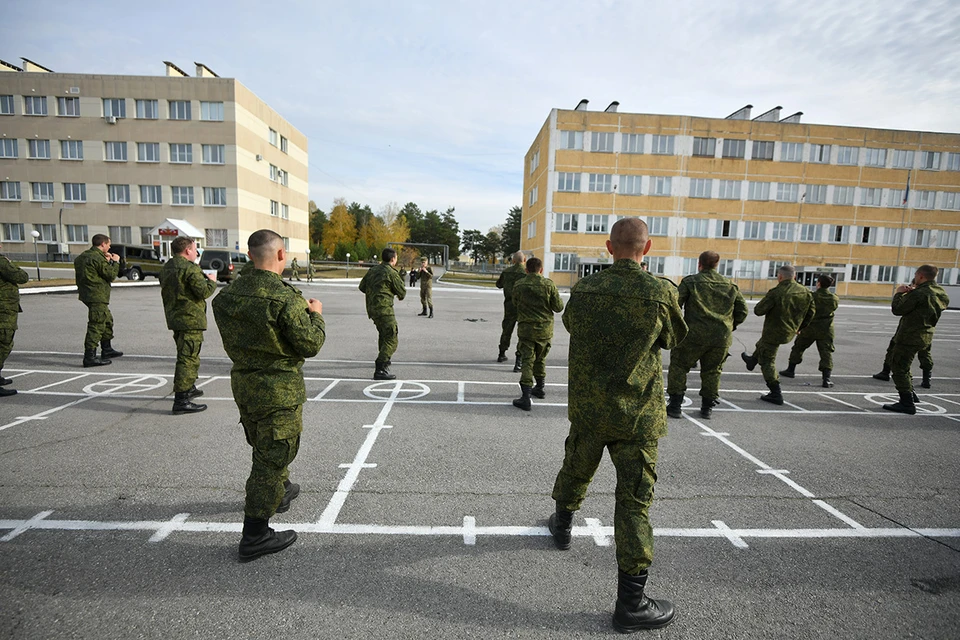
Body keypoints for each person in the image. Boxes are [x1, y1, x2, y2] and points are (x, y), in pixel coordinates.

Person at [548, 218, 686, 632]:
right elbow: (673, 340)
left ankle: (563, 523)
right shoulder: (660, 292)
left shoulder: (586, 288)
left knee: (576, 467)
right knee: (633, 502)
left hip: (591, 408)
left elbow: (571, 325)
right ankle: (631, 603)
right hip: (637, 416)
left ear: (610, 247)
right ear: (648, 248)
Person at [212, 229, 325, 562]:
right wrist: (316, 314)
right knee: (270, 459)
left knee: (265, 445)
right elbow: (310, 344)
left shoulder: (227, 296)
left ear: (250, 255)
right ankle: (255, 534)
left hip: (245, 386)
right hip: (278, 390)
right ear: (280, 255)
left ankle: (282, 490)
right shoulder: (284, 297)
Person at [666, 251, 747, 419]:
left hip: (693, 335)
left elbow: (674, 305)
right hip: (721, 337)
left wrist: (677, 327)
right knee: (712, 371)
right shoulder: (730, 285)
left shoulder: (691, 282)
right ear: (717, 265)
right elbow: (743, 310)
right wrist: (731, 326)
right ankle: (707, 408)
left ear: (699, 264)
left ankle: (675, 406)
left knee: (679, 366)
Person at [879, 265, 949, 414]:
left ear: (921, 276)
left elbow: (898, 309)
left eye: (917, 274)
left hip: (910, 335)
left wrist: (899, 293)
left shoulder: (920, 293)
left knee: (899, 367)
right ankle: (911, 394)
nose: (915, 277)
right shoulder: (940, 292)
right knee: (905, 365)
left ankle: (906, 402)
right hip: (926, 334)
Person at [159, 236, 218, 415]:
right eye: (194, 249)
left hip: (175, 318)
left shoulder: (167, 267)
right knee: (188, 358)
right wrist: (212, 282)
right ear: (187, 250)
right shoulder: (190, 269)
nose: (196, 253)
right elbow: (203, 292)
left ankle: (189, 387)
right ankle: (181, 400)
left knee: (186, 354)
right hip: (190, 319)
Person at [741, 265, 815, 405]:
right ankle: (752, 361)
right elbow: (811, 313)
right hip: (790, 332)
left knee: (767, 361)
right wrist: (800, 327)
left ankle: (775, 393)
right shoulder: (806, 292)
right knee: (762, 345)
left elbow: (759, 310)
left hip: (773, 332)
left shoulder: (777, 292)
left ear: (780, 277)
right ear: (794, 276)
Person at [510, 257, 564, 411]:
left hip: (526, 329)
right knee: (540, 359)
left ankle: (525, 396)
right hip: (544, 330)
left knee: (527, 360)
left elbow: (515, 303)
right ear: (541, 269)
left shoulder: (519, 284)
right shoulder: (549, 284)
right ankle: (539, 388)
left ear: (526, 269)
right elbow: (558, 307)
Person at [780, 275, 839, 388]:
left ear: (818, 283)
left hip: (809, 328)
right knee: (826, 353)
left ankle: (791, 370)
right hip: (826, 329)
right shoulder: (834, 298)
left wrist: (799, 326)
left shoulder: (812, 296)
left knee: (798, 348)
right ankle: (826, 378)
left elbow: (804, 310)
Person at [74, 234, 123, 368]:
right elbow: (111, 274)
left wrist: (106, 261)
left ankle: (106, 349)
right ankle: (89, 356)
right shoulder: (97, 258)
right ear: (102, 244)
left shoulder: (82, 257)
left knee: (107, 320)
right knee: (96, 325)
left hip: (88, 294)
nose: (109, 247)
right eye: (108, 244)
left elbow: (94, 272)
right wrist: (115, 262)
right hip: (97, 296)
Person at [359, 247, 406, 380]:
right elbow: (402, 292)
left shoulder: (373, 270)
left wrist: (375, 292)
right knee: (392, 338)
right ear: (393, 259)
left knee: (383, 335)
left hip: (372, 309)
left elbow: (362, 287)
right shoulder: (391, 272)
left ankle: (385, 360)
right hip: (384, 310)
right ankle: (380, 367)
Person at [0, 241, 29, 397]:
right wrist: (10, 264)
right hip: (3, 309)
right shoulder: (1, 262)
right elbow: (22, 276)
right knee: (4, 343)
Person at [496, 251, 527, 371]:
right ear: (524, 261)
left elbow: (499, 284)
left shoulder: (506, 272)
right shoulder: (526, 273)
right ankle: (518, 360)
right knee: (522, 332)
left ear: (513, 260)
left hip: (509, 305)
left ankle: (501, 353)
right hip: (523, 306)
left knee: (507, 330)